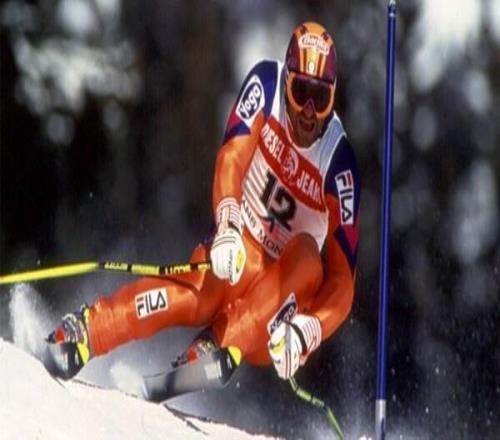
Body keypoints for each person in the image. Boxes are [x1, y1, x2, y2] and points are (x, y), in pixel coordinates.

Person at [48, 21, 360, 384]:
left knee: (309, 256)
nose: (308, 110)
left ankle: (217, 346)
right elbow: (232, 157)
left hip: (277, 309)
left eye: (320, 98)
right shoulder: (267, 84)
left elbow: (343, 282)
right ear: (287, 81)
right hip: (239, 251)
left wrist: (310, 330)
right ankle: (90, 329)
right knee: (197, 295)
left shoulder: (338, 163)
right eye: (300, 91)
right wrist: (228, 222)